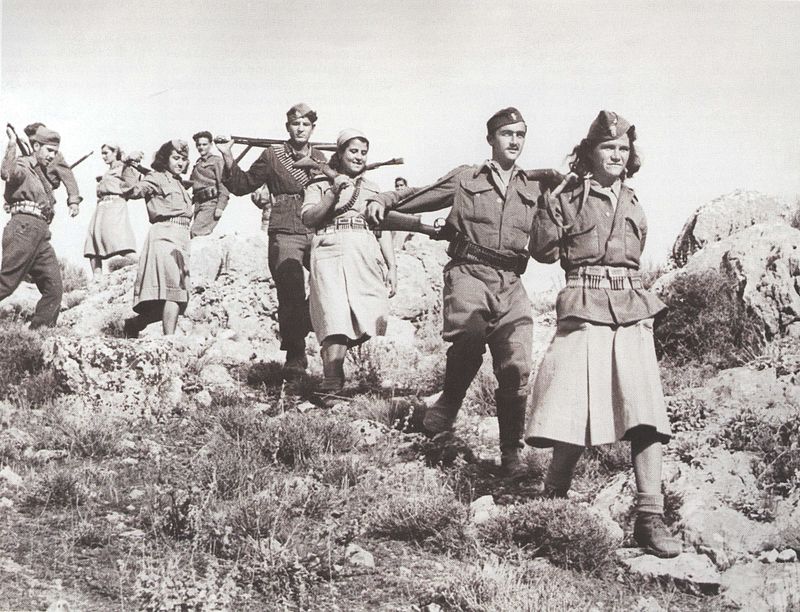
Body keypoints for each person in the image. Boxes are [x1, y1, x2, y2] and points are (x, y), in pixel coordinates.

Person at [524, 111, 680, 558]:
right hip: (583, 304)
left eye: (623, 149)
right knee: (572, 406)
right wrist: (553, 203)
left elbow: (634, 255)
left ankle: (650, 517)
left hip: (630, 308)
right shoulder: (567, 196)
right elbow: (544, 251)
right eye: (609, 147)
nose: (617, 155)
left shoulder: (633, 200)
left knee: (645, 412)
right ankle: (552, 503)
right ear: (590, 152)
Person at [366, 108, 540, 477]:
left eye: (520, 135)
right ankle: (450, 401)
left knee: (517, 367)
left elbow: (549, 242)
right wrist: (382, 199)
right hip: (469, 273)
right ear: (491, 139)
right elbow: (419, 196)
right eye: (506, 134)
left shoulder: (532, 188)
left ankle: (511, 452)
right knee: (469, 337)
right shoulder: (466, 178)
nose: (514, 141)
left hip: (511, 283)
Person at [216, 103, 326, 376]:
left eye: (306, 124)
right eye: (295, 123)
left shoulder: (323, 157)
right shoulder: (273, 155)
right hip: (285, 228)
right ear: (287, 126)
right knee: (290, 292)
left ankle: (309, 329)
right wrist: (228, 156)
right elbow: (243, 185)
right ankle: (295, 354)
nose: (300, 128)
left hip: (317, 230)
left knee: (328, 283)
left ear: (313, 128)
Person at [301, 129, 397, 399]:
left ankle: (345, 366)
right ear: (340, 153)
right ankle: (332, 378)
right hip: (329, 246)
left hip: (363, 247)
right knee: (334, 313)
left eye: (363, 153)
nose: (359, 157)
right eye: (353, 151)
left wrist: (393, 267)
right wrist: (333, 192)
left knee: (373, 308)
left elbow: (384, 230)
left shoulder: (373, 189)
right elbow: (309, 218)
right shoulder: (319, 183)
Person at [0, 125, 78, 328]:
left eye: (55, 151)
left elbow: (63, 177)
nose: (53, 156)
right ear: (36, 146)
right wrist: (10, 145)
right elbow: (6, 172)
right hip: (23, 228)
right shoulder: (23, 165)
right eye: (49, 150)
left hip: (41, 233)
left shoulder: (42, 174)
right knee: (6, 284)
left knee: (54, 289)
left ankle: (38, 334)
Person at [121, 140, 192, 337]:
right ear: (165, 159)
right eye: (175, 158)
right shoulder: (156, 177)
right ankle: (169, 341)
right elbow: (134, 191)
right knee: (174, 291)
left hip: (182, 238)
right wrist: (127, 166)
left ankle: (134, 324)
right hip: (164, 236)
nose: (180, 163)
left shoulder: (179, 183)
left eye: (184, 159)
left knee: (177, 297)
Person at [83, 143, 138, 278]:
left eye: (106, 153)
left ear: (115, 153)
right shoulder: (108, 172)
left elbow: (132, 185)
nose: (103, 156)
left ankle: (143, 264)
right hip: (101, 207)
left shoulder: (124, 168)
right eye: (102, 153)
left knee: (117, 239)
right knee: (93, 240)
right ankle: (97, 278)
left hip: (115, 205)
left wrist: (121, 191)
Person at [189, 131, 229, 238]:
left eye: (204, 144)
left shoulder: (217, 161)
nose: (201, 147)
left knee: (197, 232)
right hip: (198, 203)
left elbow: (224, 184)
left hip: (211, 203)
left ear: (211, 145)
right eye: (198, 145)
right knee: (195, 235)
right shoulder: (197, 164)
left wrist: (220, 206)